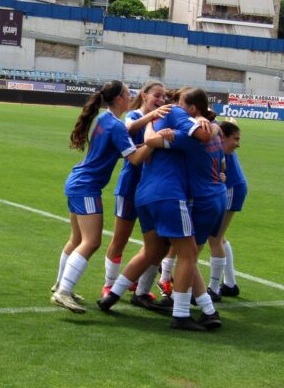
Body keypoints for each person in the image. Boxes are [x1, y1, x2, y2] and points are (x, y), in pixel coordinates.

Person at [97, 88, 220, 332]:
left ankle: (113, 295)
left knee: (152, 250)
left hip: (144, 195)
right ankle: (183, 314)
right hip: (171, 196)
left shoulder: (164, 126)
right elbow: (204, 135)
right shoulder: (183, 133)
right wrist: (207, 124)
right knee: (188, 254)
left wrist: (153, 126)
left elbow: (151, 140)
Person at [50, 80, 160, 314]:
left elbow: (118, 148)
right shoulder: (116, 125)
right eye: (128, 93)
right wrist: (154, 142)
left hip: (78, 182)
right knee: (92, 242)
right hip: (87, 187)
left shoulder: (104, 119)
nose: (131, 97)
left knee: (77, 239)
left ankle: (60, 285)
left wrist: (143, 140)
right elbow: (135, 159)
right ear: (119, 99)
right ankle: (63, 291)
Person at [102, 81, 171, 305]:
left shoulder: (161, 120)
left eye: (164, 97)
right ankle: (109, 284)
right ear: (144, 95)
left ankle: (138, 284)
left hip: (153, 189)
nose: (161, 100)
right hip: (131, 186)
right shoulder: (134, 116)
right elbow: (128, 129)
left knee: (157, 243)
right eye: (157, 95)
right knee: (120, 239)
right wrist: (152, 117)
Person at [207, 120, 246, 299]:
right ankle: (230, 284)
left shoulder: (214, 137)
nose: (238, 144)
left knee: (215, 238)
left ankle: (214, 289)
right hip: (232, 186)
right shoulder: (214, 135)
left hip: (231, 188)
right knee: (219, 238)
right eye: (235, 139)